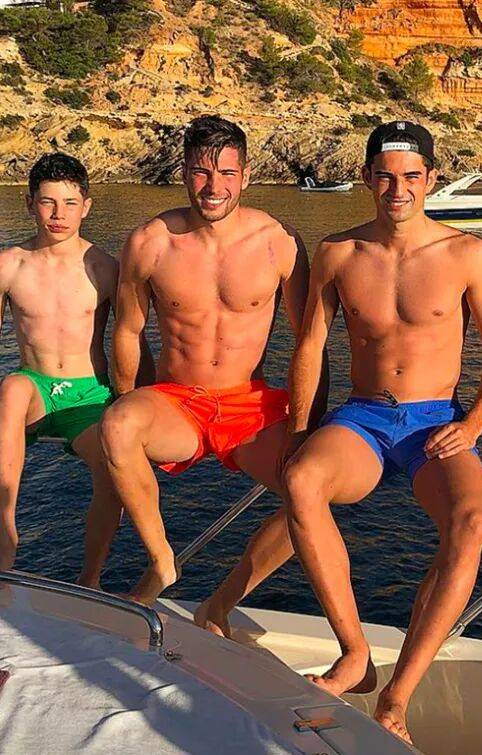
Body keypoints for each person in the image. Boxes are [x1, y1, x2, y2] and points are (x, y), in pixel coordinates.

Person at [227, 121, 482, 744]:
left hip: (435, 419)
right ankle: (354, 652)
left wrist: (473, 424)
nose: (398, 189)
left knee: (471, 522)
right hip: (362, 415)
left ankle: (396, 697)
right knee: (302, 479)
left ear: (431, 179)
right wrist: (300, 430)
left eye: (411, 177)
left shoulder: (467, 254)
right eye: (385, 177)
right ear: (366, 178)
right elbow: (310, 345)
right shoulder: (339, 252)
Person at [97, 115, 321, 606]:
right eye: (201, 172)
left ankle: (219, 607)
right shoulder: (150, 242)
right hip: (177, 403)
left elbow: (309, 340)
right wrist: (129, 401)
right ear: (183, 172)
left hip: (248, 406)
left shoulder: (278, 241)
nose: (213, 187)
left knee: (313, 493)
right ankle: (161, 562)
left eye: (227, 173)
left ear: (246, 175)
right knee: (117, 426)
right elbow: (129, 332)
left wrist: (307, 423)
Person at [0, 153, 134, 582]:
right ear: (30, 204)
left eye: (69, 203)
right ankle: (5, 534)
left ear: (87, 207)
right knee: (12, 387)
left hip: (90, 393)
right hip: (36, 390)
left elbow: (130, 339)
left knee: (114, 470)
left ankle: (90, 576)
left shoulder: (105, 267)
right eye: (47, 202)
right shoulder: (8, 264)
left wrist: (137, 400)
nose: (58, 214)